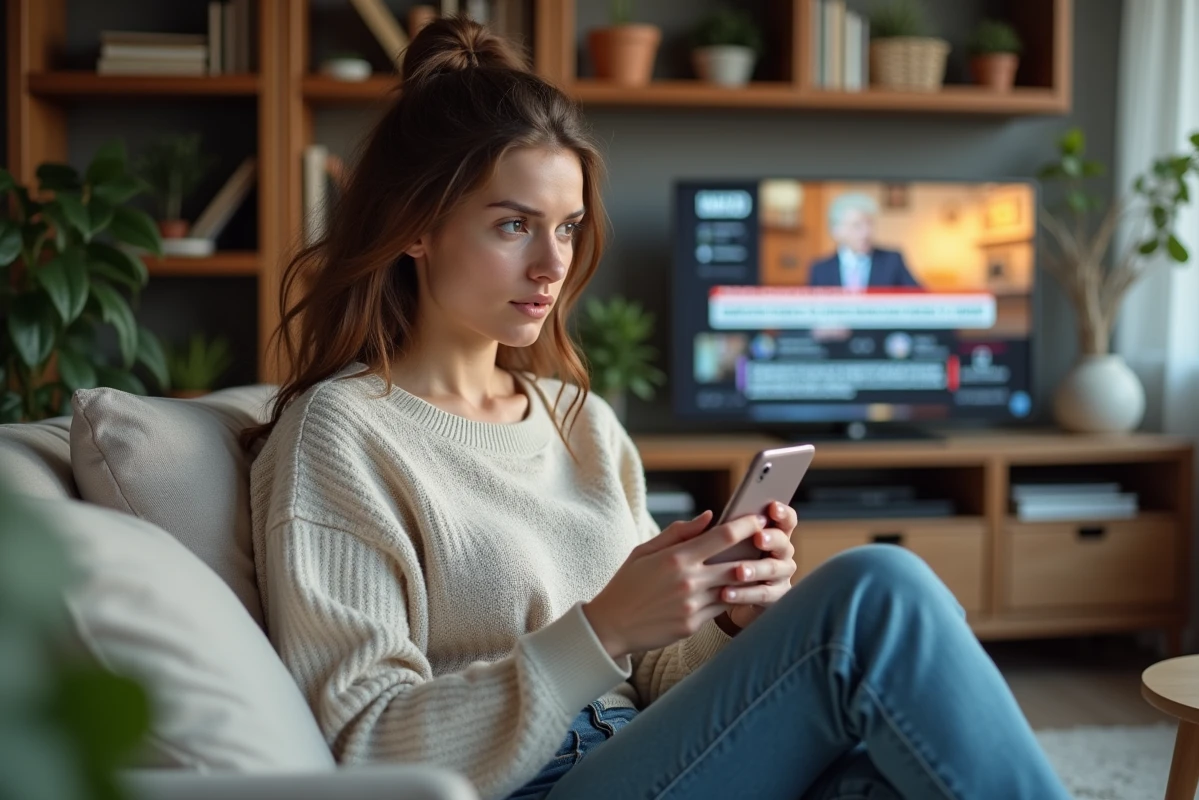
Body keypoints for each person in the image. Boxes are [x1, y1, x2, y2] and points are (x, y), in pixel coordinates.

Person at [242, 17, 1071, 800]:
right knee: (876, 591)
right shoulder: (342, 434)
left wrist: (736, 619)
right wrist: (600, 629)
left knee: (903, 760)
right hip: (533, 785)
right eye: (512, 226)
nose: (550, 265)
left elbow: (662, 675)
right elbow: (367, 747)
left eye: (566, 228)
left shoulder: (580, 422)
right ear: (414, 227)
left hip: (652, 755)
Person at [808, 193, 922, 290]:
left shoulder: (892, 261)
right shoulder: (821, 269)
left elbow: (921, 299)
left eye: (869, 224)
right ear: (837, 231)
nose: (866, 232)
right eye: (857, 225)